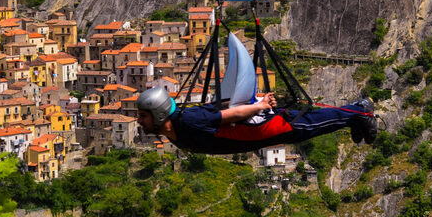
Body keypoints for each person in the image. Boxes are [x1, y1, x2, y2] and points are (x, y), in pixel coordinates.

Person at [135, 86, 378, 155]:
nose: (139, 121)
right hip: (254, 136)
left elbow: (229, 115)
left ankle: (361, 112)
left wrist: (259, 106)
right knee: (313, 125)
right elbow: (219, 106)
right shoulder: (174, 132)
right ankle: (355, 118)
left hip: (264, 129)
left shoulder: (187, 120)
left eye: (143, 116)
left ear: (158, 114)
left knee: (311, 124)